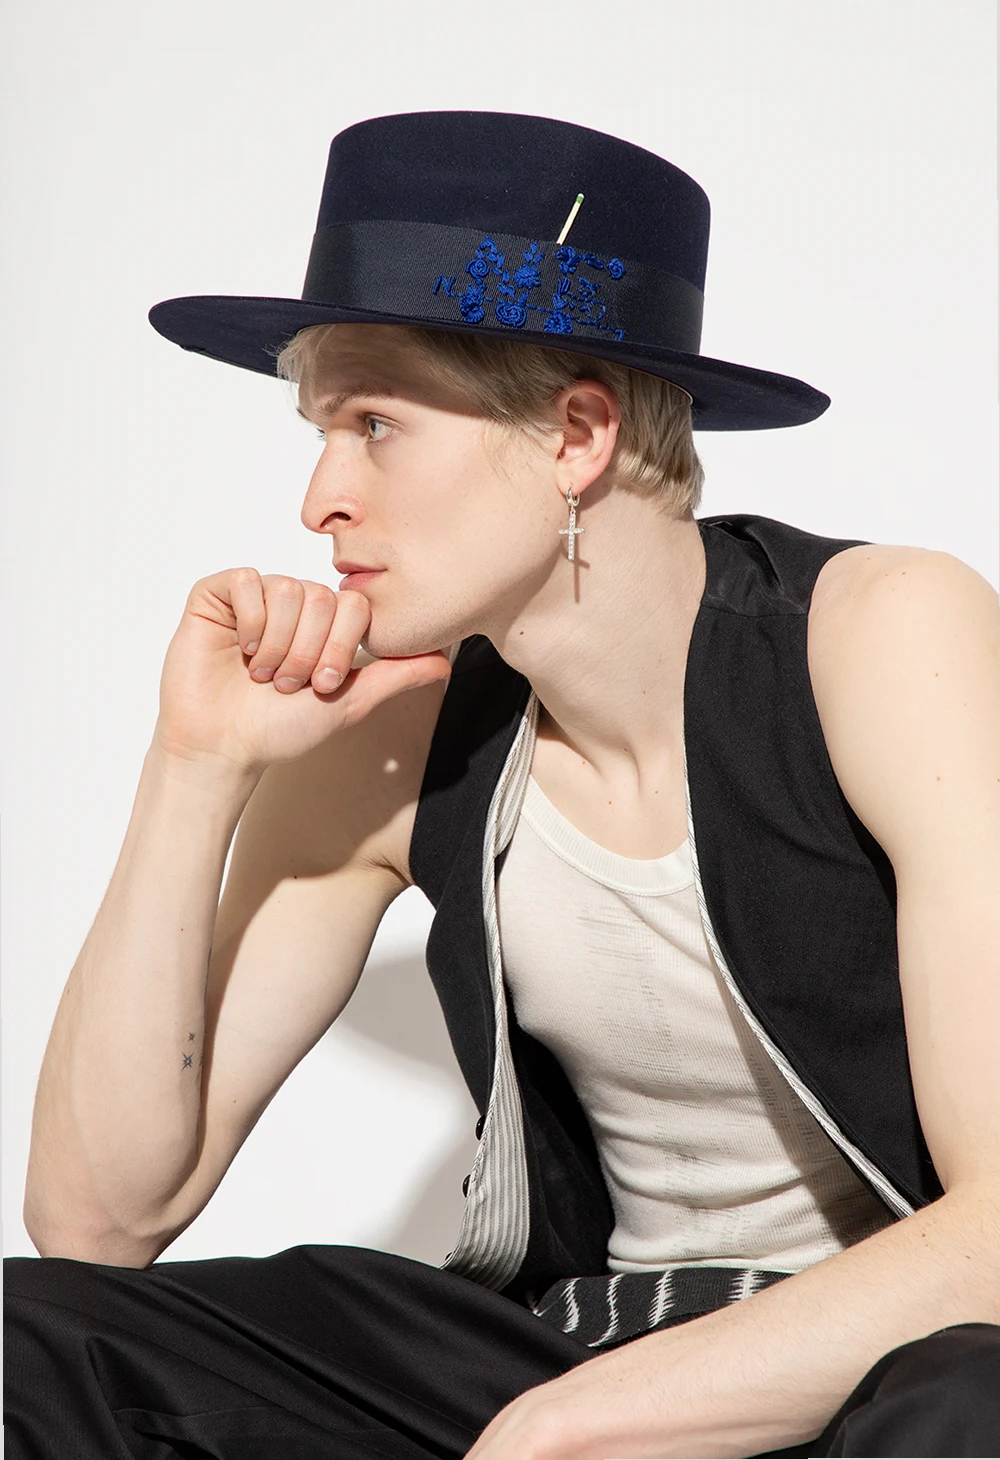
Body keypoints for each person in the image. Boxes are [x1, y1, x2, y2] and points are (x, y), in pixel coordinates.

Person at [5, 109, 999, 1460]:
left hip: (895, 1359)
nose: (318, 498)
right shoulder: (398, 730)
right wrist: (196, 768)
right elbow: (97, 1222)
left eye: (375, 423)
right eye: (320, 429)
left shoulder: (880, 635)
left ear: (577, 434)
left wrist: (558, 1431)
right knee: (28, 1339)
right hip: (577, 1336)